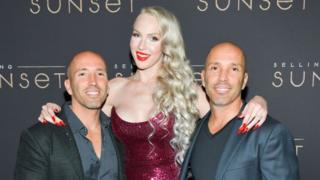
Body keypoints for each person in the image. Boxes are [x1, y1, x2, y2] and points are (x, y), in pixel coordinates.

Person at [38, 7, 267, 180]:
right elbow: (82, 113)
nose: (141, 46)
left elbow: (228, 116)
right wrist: (54, 110)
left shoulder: (185, 90)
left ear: (167, 44)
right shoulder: (114, 88)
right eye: (137, 35)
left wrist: (259, 101)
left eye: (153, 38)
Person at [179, 42, 299, 180]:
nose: (223, 77)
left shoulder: (269, 134)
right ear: (203, 79)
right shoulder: (195, 130)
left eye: (234, 69)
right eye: (215, 68)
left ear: (244, 81)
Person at [14, 51, 124, 180]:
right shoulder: (39, 138)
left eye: (100, 74)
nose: (93, 81)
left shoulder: (121, 133)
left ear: (107, 85)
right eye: (82, 74)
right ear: (69, 86)